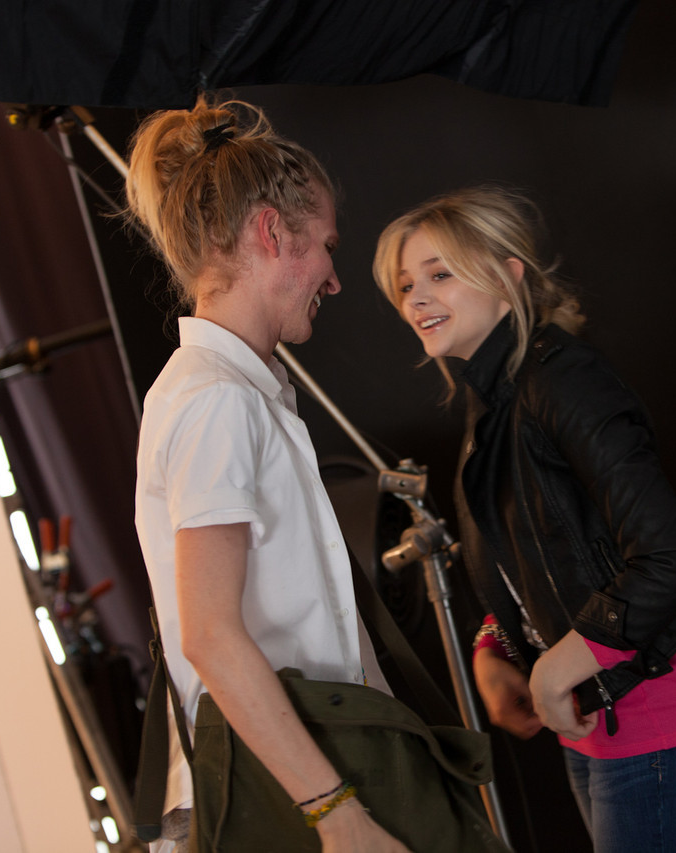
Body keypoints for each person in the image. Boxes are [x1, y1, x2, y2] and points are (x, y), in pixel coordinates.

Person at [373, 186, 676, 852]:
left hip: (653, 708)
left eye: (439, 274)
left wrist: (555, 666)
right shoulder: (494, 396)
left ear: (508, 274)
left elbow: (668, 557)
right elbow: (529, 557)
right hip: (591, 719)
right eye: (404, 285)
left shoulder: (565, 381)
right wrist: (495, 645)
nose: (416, 299)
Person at [128, 96, 409, 853]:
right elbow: (211, 635)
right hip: (274, 796)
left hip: (296, 775)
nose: (333, 277)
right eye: (325, 245)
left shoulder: (237, 391)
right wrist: (337, 814)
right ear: (271, 232)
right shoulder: (215, 400)